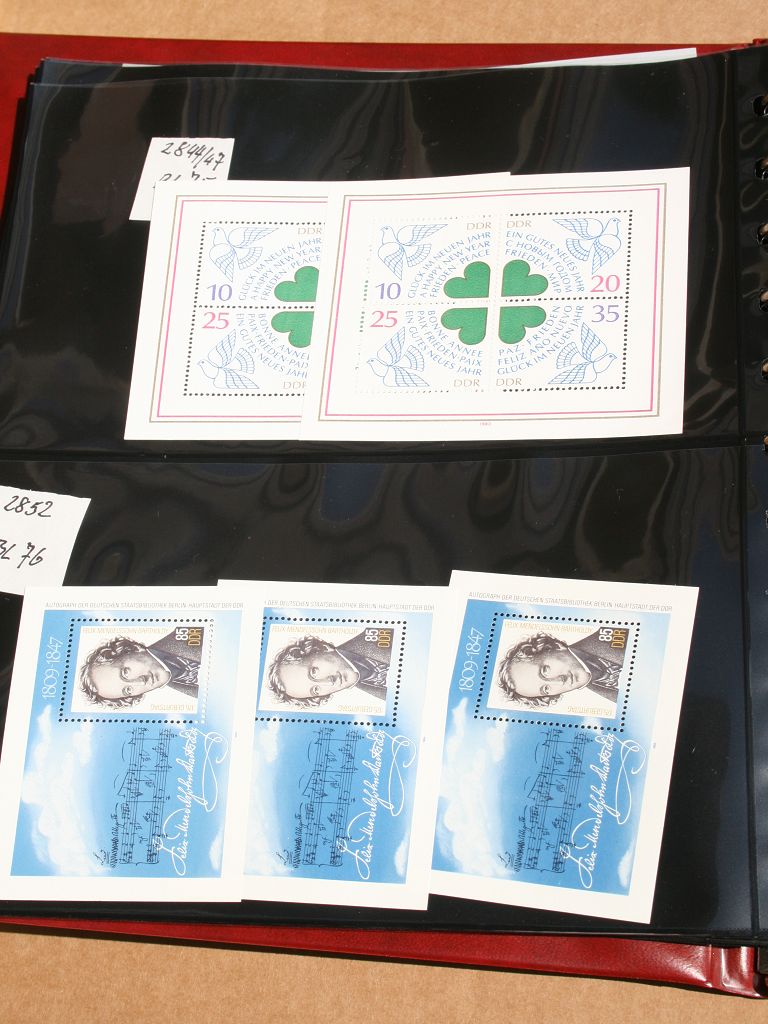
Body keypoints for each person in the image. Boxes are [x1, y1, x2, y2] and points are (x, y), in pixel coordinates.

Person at [497, 629, 626, 708]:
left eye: (545, 671)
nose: (559, 681)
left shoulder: (617, 632)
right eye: (546, 689)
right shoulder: (612, 698)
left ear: (556, 647)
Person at [268, 630, 391, 708]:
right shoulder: (381, 696)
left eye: (314, 672)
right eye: (316, 690)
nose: (328, 682)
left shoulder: (382, 632)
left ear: (323, 649)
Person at [80, 631, 201, 708]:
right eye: (128, 690)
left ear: (132, 650)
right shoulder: (192, 693)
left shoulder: (191, 633)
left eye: (125, 672)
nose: (141, 682)